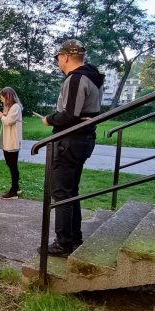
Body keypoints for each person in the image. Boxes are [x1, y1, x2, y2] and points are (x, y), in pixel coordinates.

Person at [41, 40, 103, 257]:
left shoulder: (76, 78)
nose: (58, 62)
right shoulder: (94, 77)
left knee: (61, 194)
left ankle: (64, 243)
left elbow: (69, 115)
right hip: (84, 139)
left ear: (65, 57)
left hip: (69, 142)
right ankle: (74, 237)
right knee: (71, 191)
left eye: (58, 58)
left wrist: (49, 119)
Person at [0, 87, 23, 199]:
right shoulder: (10, 107)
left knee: (12, 165)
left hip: (12, 141)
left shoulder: (15, 107)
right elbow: (7, 119)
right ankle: (17, 187)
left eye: (2, 98)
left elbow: (8, 121)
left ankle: (13, 191)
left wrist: (1, 115)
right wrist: (1, 115)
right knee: (11, 165)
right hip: (8, 140)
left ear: (8, 97)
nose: (1, 100)